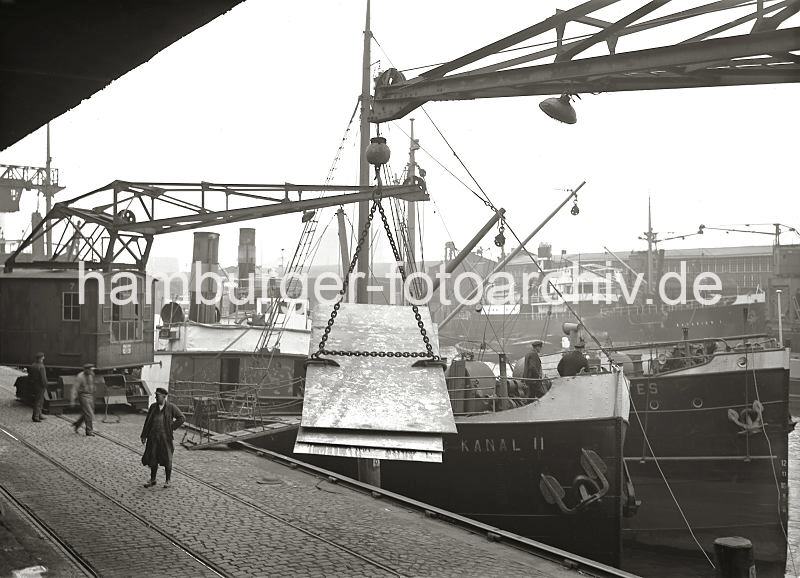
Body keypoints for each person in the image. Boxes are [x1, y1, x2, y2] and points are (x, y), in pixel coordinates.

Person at [141, 387, 185, 488]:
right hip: (153, 437)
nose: (156, 397)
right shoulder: (153, 407)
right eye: (156, 395)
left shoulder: (171, 407)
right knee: (153, 458)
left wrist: (171, 427)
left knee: (167, 458)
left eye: (158, 396)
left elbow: (182, 418)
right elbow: (147, 422)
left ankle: (168, 481)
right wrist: (144, 435)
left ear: (164, 397)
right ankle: (152, 480)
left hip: (165, 438)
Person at [72, 363, 96, 436]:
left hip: (90, 395)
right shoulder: (80, 376)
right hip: (83, 396)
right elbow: (75, 388)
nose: (91, 371)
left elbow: (92, 384)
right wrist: (72, 399)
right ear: (86, 370)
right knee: (89, 413)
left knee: (87, 412)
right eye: (90, 370)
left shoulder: (91, 374)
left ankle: (77, 424)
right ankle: (89, 431)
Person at [28, 352, 48, 422]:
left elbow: (29, 376)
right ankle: (36, 417)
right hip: (40, 385)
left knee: (40, 400)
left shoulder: (33, 365)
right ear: (41, 358)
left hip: (35, 384)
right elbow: (43, 378)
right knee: (39, 401)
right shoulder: (41, 366)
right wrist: (45, 385)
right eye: (43, 357)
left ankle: (39, 414)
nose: (44, 358)